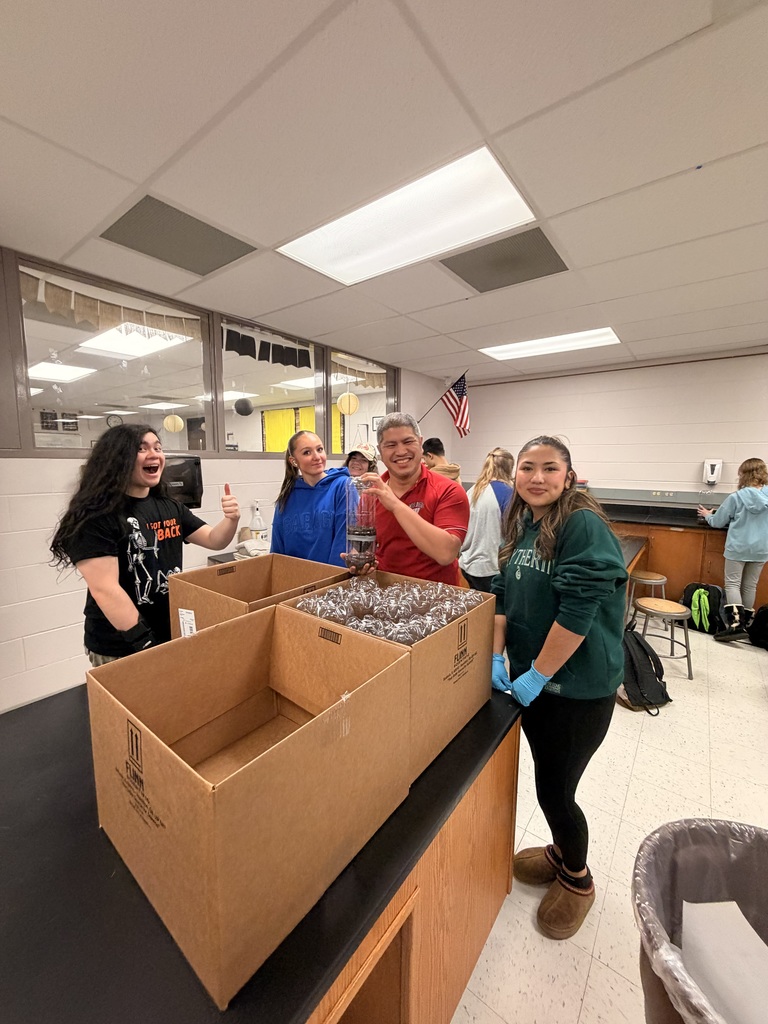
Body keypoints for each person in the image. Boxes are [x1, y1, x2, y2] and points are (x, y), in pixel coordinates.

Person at [491, 436, 627, 940]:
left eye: (550, 468)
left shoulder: (580, 524)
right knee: (549, 776)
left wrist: (538, 674)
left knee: (556, 789)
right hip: (536, 682)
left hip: (577, 689)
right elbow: (503, 592)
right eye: (527, 468)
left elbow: (578, 612)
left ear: (569, 476)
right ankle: (557, 851)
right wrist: (495, 652)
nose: (537, 477)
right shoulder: (523, 521)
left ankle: (577, 877)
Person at [50, 424, 241, 665]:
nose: (154, 454)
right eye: (142, 449)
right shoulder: (97, 516)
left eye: (158, 448)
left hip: (166, 635)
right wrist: (146, 644)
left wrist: (231, 519)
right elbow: (105, 590)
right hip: (120, 645)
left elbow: (215, 540)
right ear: (118, 458)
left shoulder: (169, 507)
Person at [359, 413, 469, 583]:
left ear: (420, 443)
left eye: (408, 442)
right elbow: (364, 548)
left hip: (437, 601)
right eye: (391, 445)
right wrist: (359, 561)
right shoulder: (370, 495)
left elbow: (446, 553)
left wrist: (395, 505)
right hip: (386, 597)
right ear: (380, 451)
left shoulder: (448, 490)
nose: (401, 451)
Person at [698, 457, 768, 640]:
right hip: (762, 548)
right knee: (750, 585)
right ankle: (746, 625)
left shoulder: (736, 497)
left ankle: (735, 625)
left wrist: (708, 515)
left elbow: (718, 521)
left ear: (742, 475)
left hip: (739, 546)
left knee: (733, 584)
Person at [270, 430, 348, 567]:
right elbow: (277, 549)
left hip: (331, 581)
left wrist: (331, 582)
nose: (317, 457)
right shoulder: (286, 496)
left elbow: (343, 543)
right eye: (307, 452)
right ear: (293, 461)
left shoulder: (342, 486)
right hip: (295, 580)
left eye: (320, 449)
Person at [459, 447, 515, 592]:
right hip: (490, 568)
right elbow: (514, 531)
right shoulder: (507, 493)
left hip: (466, 564)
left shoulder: (472, 491)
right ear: (509, 468)